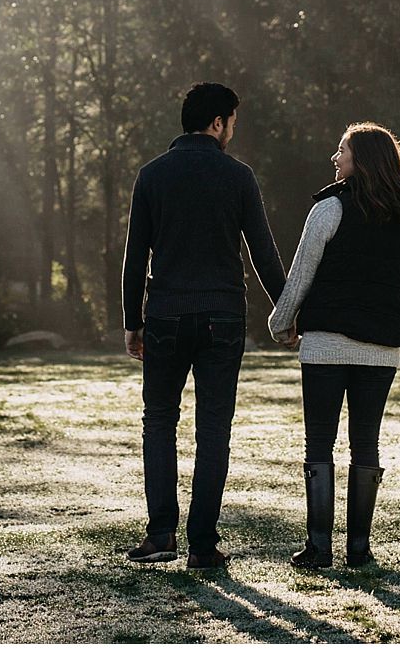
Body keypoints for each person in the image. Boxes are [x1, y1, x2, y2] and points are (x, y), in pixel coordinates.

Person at [120, 82, 288, 571]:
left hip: (166, 314)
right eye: (231, 121)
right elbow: (262, 251)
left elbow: (135, 256)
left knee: (159, 422)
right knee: (213, 429)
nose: (233, 130)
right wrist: (286, 311)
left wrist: (134, 321)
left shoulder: (152, 175)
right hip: (222, 317)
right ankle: (202, 545)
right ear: (217, 122)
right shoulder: (237, 176)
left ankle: (160, 534)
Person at [267, 121, 400, 569]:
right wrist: (388, 333)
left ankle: (319, 549)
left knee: (319, 440)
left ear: (362, 159)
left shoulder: (329, 209)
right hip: (382, 348)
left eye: (342, 150)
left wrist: (281, 324)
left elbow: (301, 275)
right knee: (366, 442)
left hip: (325, 346)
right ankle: (359, 549)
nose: (335, 158)